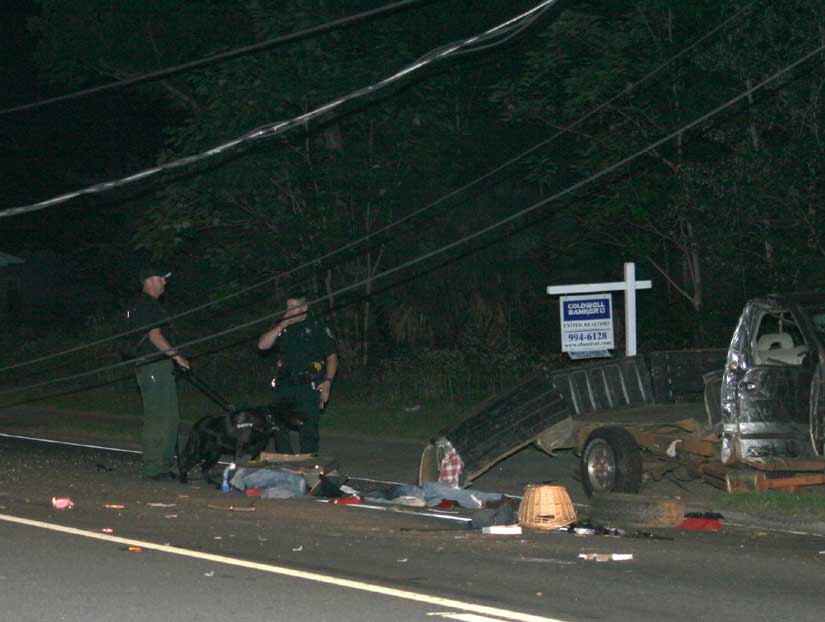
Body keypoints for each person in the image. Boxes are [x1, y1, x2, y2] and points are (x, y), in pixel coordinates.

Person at [129, 267, 190, 481]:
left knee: (171, 416)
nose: (165, 282)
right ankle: (153, 468)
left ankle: (164, 464)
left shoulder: (152, 305)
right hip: (152, 365)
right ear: (150, 280)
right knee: (158, 417)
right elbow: (154, 336)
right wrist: (177, 356)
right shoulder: (145, 304)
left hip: (161, 366)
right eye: (162, 278)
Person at [257, 295, 337, 454]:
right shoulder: (282, 326)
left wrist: (328, 381)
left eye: (294, 307)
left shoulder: (316, 326)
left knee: (308, 430)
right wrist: (281, 325)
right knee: (279, 426)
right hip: (284, 384)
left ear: (304, 307)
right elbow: (262, 345)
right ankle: (284, 463)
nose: (290, 311)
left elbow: (332, 358)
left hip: (308, 385)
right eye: (288, 307)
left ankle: (308, 466)